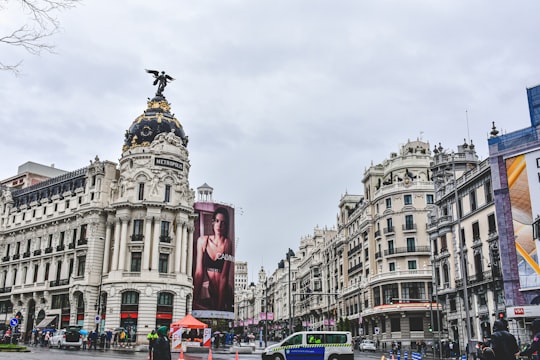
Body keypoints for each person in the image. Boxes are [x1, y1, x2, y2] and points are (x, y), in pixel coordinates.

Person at [193, 207, 234, 312]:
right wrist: (194, 300)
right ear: (212, 222)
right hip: (211, 290)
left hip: (225, 292)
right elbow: (199, 273)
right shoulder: (202, 241)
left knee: (221, 312)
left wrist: (219, 309)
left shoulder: (227, 243)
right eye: (217, 221)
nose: (219, 225)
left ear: (226, 225)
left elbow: (224, 277)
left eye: (223, 222)